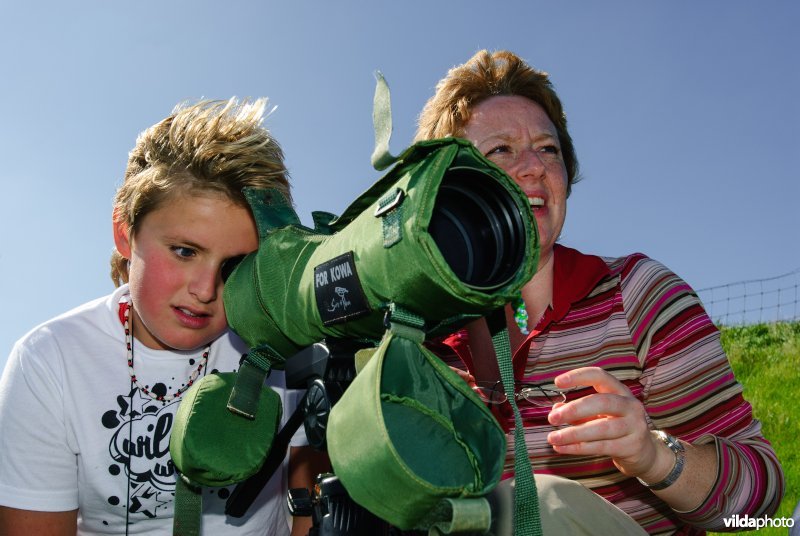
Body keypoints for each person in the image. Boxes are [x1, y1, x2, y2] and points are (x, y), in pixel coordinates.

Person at [416, 50, 785, 535]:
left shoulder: (636, 294)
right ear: (449, 188)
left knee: (532, 507)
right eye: (501, 150)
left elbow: (759, 509)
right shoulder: (418, 342)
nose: (533, 167)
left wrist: (654, 456)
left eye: (548, 149)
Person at [0, 99, 325, 535]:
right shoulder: (49, 362)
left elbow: (311, 509)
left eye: (234, 266)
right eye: (185, 251)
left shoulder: (285, 344)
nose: (206, 290)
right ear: (124, 231)